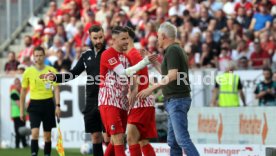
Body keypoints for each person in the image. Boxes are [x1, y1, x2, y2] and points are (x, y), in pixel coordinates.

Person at [40, 25, 108, 156]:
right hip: (91, 100)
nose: (98, 40)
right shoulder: (86, 56)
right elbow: (73, 73)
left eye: (101, 37)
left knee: (109, 137)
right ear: (90, 38)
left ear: (104, 35)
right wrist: (56, 77)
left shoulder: (110, 54)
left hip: (107, 99)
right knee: (95, 136)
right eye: (95, 38)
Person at [137, 22, 199, 156]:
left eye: (158, 36)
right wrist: (153, 61)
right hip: (176, 100)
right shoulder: (175, 49)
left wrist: (150, 89)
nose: (157, 39)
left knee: (181, 140)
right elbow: (168, 74)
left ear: (164, 36)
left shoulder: (172, 50)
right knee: (174, 141)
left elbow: (171, 76)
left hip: (177, 100)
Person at [98, 26, 157, 156]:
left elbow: (135, 78)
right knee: (119, 139)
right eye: (123, 39)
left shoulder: (127, 56)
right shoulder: (108, 54)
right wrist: (145, 62)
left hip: (124, 103)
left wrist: (134, 90)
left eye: (127, 38)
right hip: (109, 102)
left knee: (117, 140)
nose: (127, 41)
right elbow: (123, 73)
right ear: (114, 40)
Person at [20, 46, 61, 156]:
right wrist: (21, 111)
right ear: (33, 57)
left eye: (40, 55)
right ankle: (34, 153)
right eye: (36, 56)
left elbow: (56, 89)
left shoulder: (51, 71)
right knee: (35, 132)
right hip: (34, 104)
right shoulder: (28, 71)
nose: (38, 58)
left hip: (48, 104)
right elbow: (23, 92)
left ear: (44, 56)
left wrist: (58, 106)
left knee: (47, 135)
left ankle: (47, 154)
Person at [124, 27, 157, 156]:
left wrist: (131, 94)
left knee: (131, 139)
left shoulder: (132, 54)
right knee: (142, 141)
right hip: (144, 101)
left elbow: (138, 78)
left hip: (140, 101)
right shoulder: (133, 53)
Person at [11, 78, 28, 148]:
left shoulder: (21, 92)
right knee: (18, 131)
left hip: (22, 114)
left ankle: (24, 144)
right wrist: (26, 106)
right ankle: (17, 145)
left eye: (19, 83)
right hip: (17, 115)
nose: (18, 85)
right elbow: (19, 104)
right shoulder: (13, 93)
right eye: (17, 83)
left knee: (23, 130)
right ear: (14, 85)